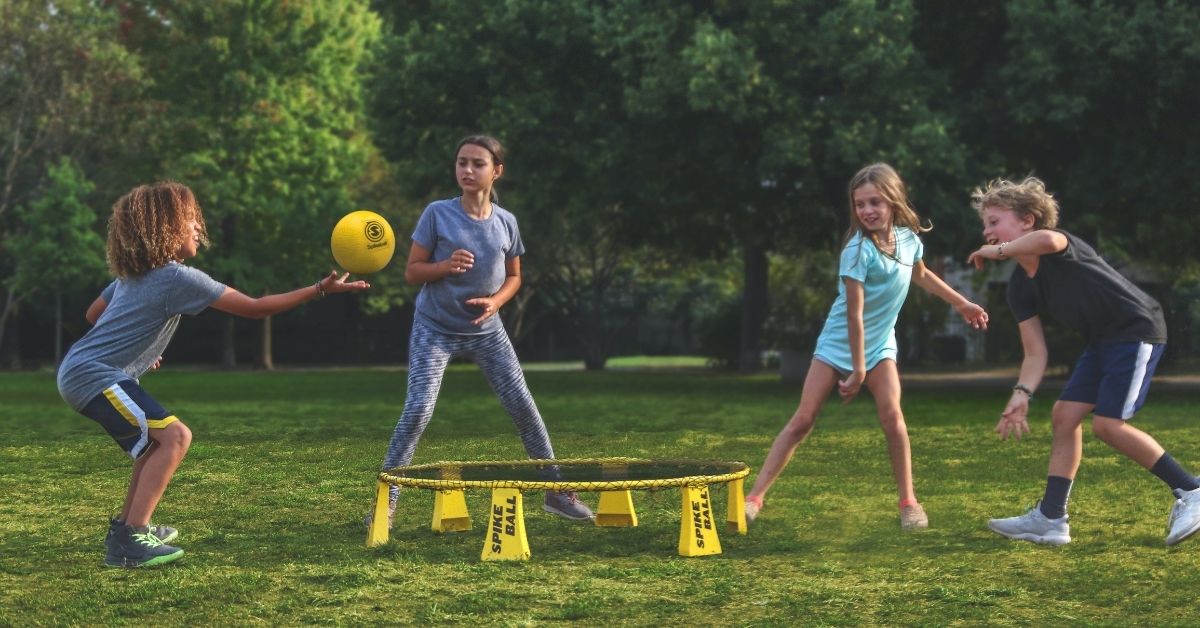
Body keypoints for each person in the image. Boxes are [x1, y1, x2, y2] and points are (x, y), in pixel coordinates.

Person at [57, 181, 370, 568]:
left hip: (84, 369)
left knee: (158, 443)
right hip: (93, 375)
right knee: (175, 437)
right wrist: (320, 288)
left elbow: (93, 315)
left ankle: (128, 527)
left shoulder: (132, 275)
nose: (198, 229)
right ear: (164, 228)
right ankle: (131, 540)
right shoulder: (177, 277)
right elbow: (255, 308)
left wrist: (136, 348)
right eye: (190, 221)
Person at [745, 163, 989, 530]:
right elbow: (853, 316)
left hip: (879, 345)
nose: (867, 211)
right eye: (860, 204)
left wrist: (961, 303)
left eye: (875, 202)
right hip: (838, 342)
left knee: (893, 418)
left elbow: (920, 275)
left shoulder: (908, 240)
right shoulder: (857, 251)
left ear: (892, 201)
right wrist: (857, 370)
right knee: (803, 420)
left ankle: (909, 503)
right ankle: (753, 498)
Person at [967, 176, 1200, 546]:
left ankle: (1191, 491)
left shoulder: (1058, 244)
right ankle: (1051, 518)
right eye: (985, 225)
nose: (987, 232)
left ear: (1027, 220)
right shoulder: (1018, 287)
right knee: (1064, 416)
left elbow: (1048, 238)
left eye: (994, 221)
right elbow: (1035, 352)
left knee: (1107, 425)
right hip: (1103, 341)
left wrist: (995, 251)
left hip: (1135, 330)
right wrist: (1022, 394)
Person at [373, 135, 592, 527]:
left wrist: (495, 303)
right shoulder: (437, 214)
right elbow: (412, 272)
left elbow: (514, 277)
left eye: (477, 163)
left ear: (497, 171)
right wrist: (443, 266)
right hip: (435, 327)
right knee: (419, 409)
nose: (467, 171)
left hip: (487, 331)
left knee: (524, 407)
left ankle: (556, 492)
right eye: (461, 163)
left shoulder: (506, 222)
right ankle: (385, 501)